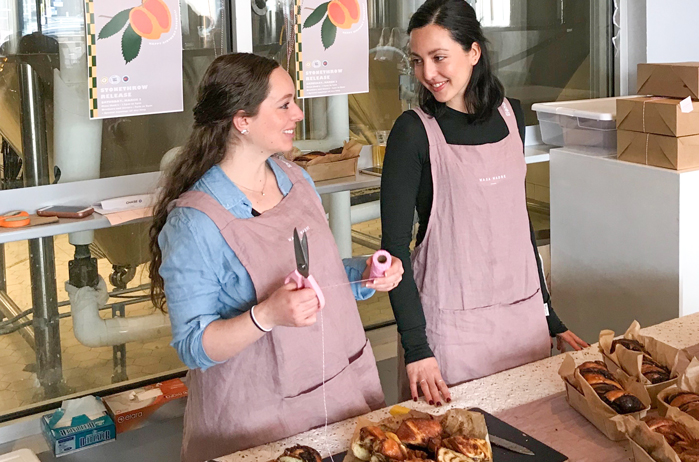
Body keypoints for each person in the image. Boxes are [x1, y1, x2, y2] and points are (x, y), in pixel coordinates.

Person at [148, 53, 402, 462]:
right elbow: (194, 345)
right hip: (258, 421)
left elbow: (320, 278)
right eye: (284, 104)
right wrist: (266, 315)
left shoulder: (296, 177)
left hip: (341, 390)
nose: (298, 113)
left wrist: (365, 274)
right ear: (242, 119)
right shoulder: (195, 222)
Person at [380, 0, 589, 406]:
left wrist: (548, 314)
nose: (428, 74)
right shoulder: (413, 133)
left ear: (473, 52)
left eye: (439, 58)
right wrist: (417, 348)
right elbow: (393, 251)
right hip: (451, 334)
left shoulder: (513, 115)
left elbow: (517, 223)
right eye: (418, 60)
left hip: (522, 321)